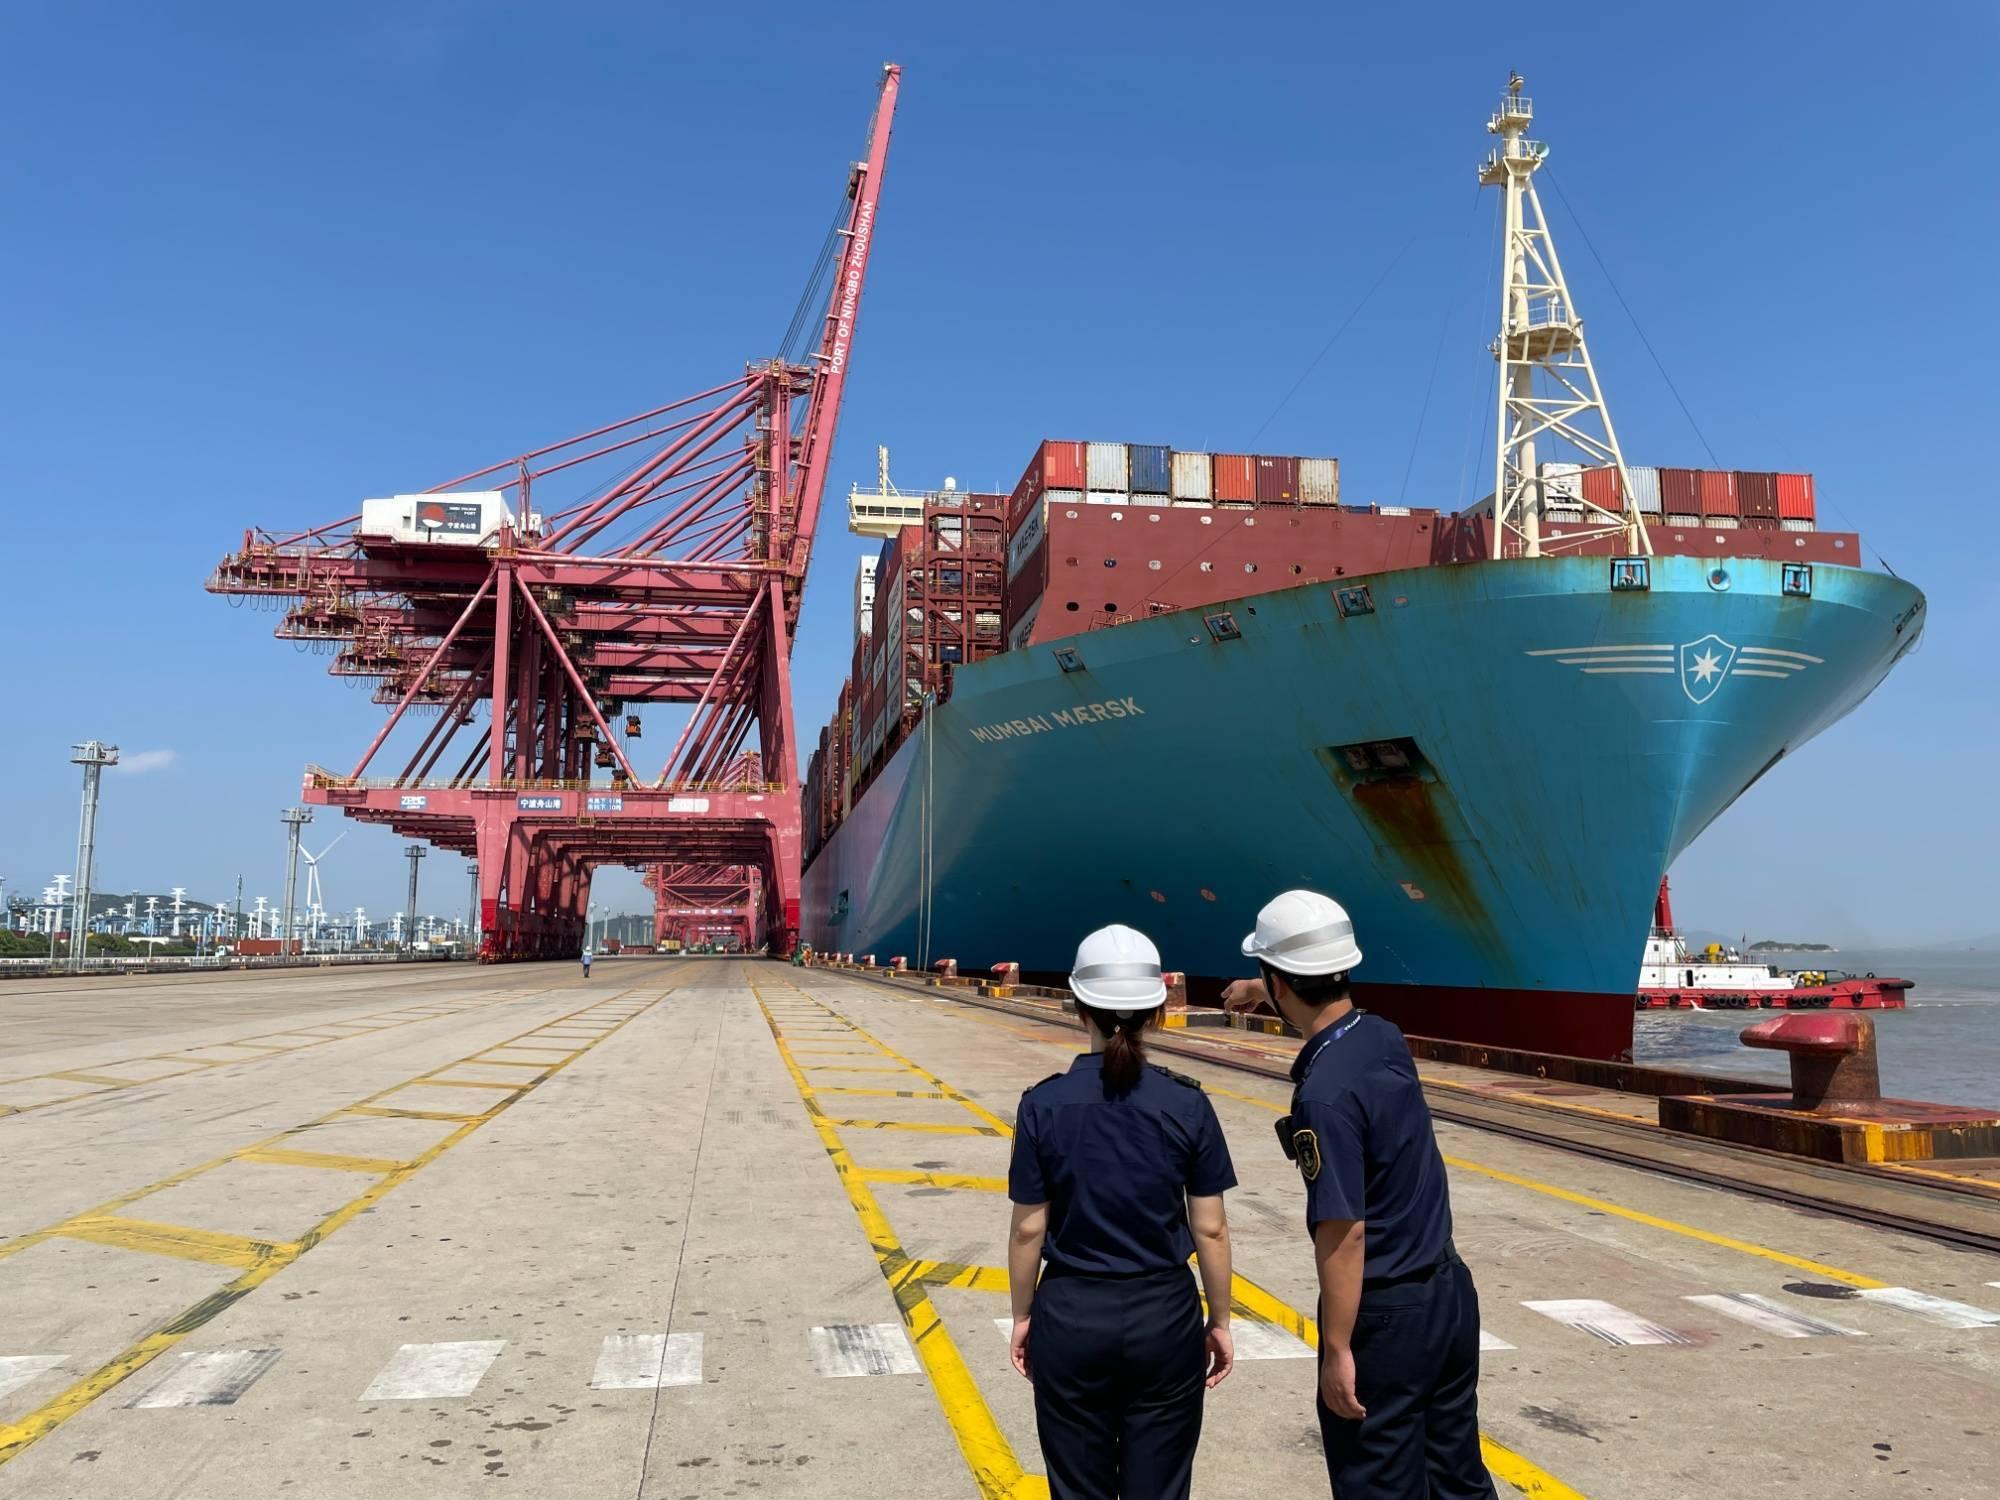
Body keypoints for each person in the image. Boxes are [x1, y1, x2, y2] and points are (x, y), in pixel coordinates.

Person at [1223, 890, 1494, 1499]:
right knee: (1457, 1479)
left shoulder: (1323, 1095)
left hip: (1386, 1320)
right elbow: (1317, 1000)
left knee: (1377, 1483)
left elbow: (1344, 1231)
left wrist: (1339, 1348)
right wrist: (1263, 986)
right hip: (1449, 1297)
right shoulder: (1381, 1036)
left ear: (1282, 983)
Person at [1007, 923, 1237, 1500]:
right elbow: (1210, 1227)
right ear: (1157, 1012)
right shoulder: (1188, 1104)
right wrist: (1220, 1321)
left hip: (1071, 1316)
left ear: (1077, 1006)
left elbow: (1029, 1228)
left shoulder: (1041, 1105)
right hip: (1164, 1318)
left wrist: (1023, 1316)